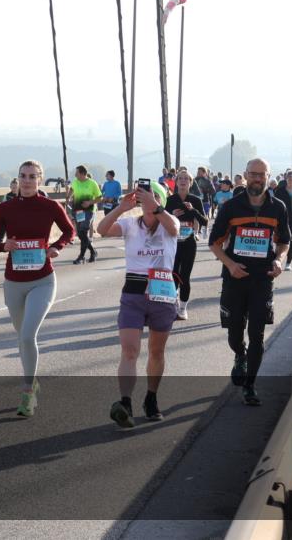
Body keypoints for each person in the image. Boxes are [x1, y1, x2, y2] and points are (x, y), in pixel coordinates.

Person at [0, 160, 73, 417]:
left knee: (26, 336)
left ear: (40, 180)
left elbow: (69, 230)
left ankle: (27, 393)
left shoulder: (51, 206)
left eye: (33, 176)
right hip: (13, 282)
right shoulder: (6, 209)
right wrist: (2, 247)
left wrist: (56, 247)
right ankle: (33, 380)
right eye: (23, 176)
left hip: (42, 281)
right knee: (21, 337)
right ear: (18, 179)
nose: (27, 180)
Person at [97, 180, 180, 427]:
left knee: (156, 351)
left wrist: (156, 207)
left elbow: (175, 228)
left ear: (160, 200)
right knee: (129, 350)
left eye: (153, 195)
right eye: (143, 194)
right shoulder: (130, 224)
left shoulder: (167, 223)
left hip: (162, 293)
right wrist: (121, 208)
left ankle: (151, 398)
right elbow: (102, 229)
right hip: (133, 293)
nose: (146, 198)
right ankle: (125, 402)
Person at [209, 158, 290, 407]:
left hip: (262, 279)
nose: (257, 179)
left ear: (268, 176)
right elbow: (214, 242)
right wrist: (231, 265)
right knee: (235, 333)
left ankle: (250, 385)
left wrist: (278, 260)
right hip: (235, 278)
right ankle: (239, 354)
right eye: (253, 174)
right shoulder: (232, 207)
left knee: (257, 332)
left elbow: (284, 242)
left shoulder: (278, 208)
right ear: (245, 175)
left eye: (261, 175)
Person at [167, 170, 207, 321]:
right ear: (176, 182)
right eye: (180, 178)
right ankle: (173, 302)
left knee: (185, 276)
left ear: (190, 183)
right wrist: (172, 216)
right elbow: (161, 220)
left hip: (189, 242)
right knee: (173, 275)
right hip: (173, 242)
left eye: (186, 179)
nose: (183, 181)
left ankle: (183, 308)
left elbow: (205, 221)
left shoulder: (195, 200)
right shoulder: (171, 200)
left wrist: (193, 210)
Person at [68, 165, 102, 264]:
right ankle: (93, 251)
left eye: (77, 173)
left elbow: (100, 198)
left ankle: (81, 256)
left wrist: (90, 202)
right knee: (80, 234)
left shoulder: (92, 183)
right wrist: (69, 197)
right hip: (78, 211)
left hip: (89, 211)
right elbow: (72, 189)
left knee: (83, 232)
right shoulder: (75, 182)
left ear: (83, 174)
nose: (75, 175)